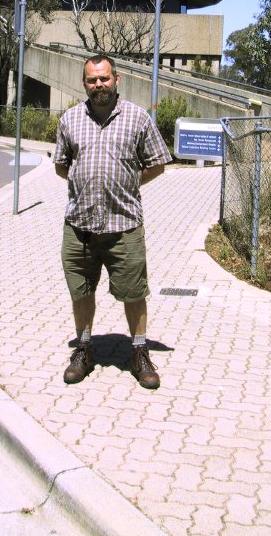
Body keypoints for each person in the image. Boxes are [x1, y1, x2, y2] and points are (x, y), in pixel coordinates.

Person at [53, 54, 172, 389]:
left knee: (134, 292)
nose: (98, 85)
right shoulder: (70, 119)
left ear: (116, 79)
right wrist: (85, 185)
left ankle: (139, 352)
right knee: (80, 290)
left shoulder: (137, 118)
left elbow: (158, 162)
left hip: (125, 226)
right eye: (92, 80)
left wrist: (129, 183)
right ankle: (84, 349)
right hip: (79, 225)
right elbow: (62, 165)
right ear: (84, 83)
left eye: (104, 78)